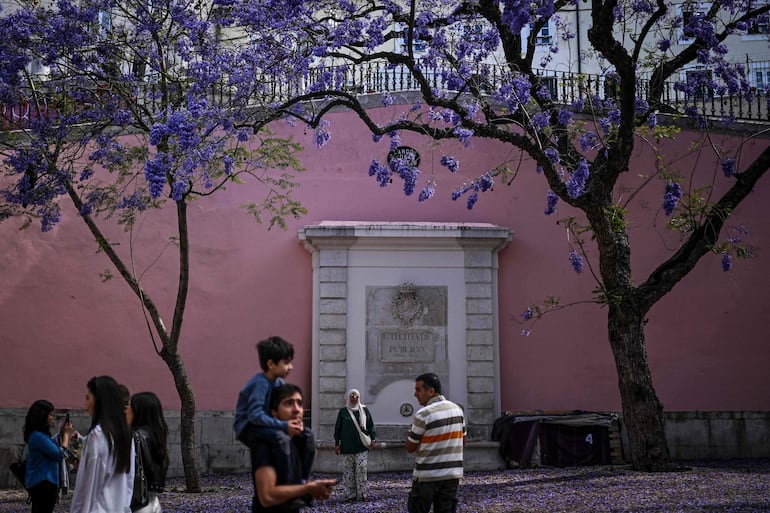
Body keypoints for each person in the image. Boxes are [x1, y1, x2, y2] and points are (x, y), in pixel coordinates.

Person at [234, 336, 315, 482]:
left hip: (268, 423)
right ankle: (285, 483)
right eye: (286, 363)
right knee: (280, 438)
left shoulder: (278, 382)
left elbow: (280, 408)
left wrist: (295, 423)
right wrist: (284, 426)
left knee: (306, 435)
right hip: (249, 427)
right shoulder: (260, 383)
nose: (291, 367)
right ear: (271, 364)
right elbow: (254, 415)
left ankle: (302, 479)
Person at [251, 383, 337, 512]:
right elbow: (267, 496)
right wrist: (308, 488)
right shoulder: (265, 442)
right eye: (288, 403)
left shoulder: (300, 439)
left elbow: (296, 488)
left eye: (299, 403)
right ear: (274, 412)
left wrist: (312, 491)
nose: (296, 409)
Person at [71, 375, 135, 513]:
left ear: (99, 401)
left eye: (88, 398)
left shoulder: (98, 436)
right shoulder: (124, 435)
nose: (86, 404)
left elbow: (89, 488)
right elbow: (128, 482)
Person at [405, 373, 465, 513]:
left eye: (418, 390)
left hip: (427, 476)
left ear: (431, 391)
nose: (415, 394)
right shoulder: (458, 410)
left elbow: (410, 447)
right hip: (452, 474)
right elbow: (463, 440)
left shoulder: (424, 414)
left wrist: (409, 434)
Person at [23, 400, 73, 513]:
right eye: (50, 414)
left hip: (43, 482)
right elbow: (58, 454)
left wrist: (61, 434)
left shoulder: (39, 435)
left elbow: (52, 449)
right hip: (43, 483)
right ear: (42, 416)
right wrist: (65, 436)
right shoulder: (38, 436)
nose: (52, 418)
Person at [127, 392, 169, 513]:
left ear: (138, 412)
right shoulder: (156, 436)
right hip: (153, 501)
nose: (126, 411)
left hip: (137, 503)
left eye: (129, 406)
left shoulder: (136, 438)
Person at [333, 389, 376, 501]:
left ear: (359, 397)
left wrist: (373, 439)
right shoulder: (343, 412)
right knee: (348, 471)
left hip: (361, 446)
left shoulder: (364, 410)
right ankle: (349, 494)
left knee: (361, 469)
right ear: (348, 397)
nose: (354, 398)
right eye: (352, 396)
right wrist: (337, 444)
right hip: (347, 447)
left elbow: (370, 425)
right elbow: (338, 428)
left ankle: (362, 494)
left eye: (356, 396)